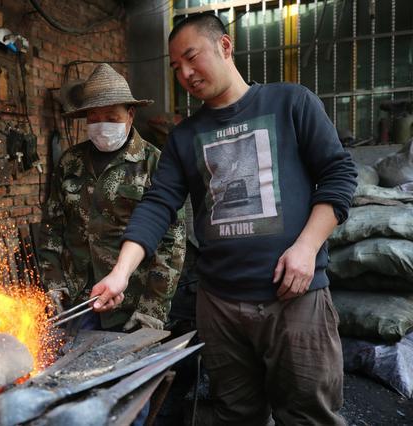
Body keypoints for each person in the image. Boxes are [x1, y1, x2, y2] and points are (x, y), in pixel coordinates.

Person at [90, 13, 357, 425]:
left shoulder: (291, 103)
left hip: (293, 297)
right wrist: (121, 273)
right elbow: (159, 203)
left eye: (191, 57)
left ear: (225, 46)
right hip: (219, 305)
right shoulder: (184, 136)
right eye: (176, 67)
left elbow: (338, 175)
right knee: (235, 415)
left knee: (309, 416)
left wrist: (306, 249)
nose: (185, 73)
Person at [38, 63, 186, 332]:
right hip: (78, 302)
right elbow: (52, 227)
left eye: (111, 117)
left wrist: (152, 309)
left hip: (132, 306)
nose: (101, 125)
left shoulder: (154, 163)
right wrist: (55, 284)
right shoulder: (71, 162)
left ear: (130, 115)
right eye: (93, 118)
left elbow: (171, 243)